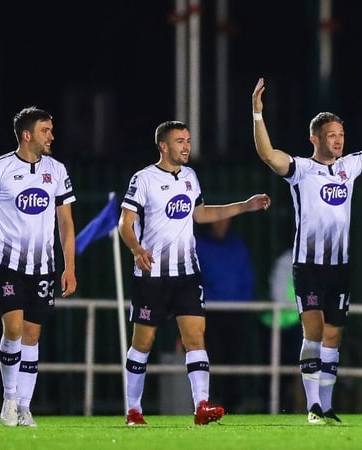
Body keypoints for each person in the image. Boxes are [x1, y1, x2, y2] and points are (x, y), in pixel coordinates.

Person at [251, 74, 362, 425]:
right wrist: (258, 115)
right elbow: (268, 154)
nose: (338, 141)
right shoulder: (300, 170)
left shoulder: (348, 168)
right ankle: (312, 407)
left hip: (340, 265)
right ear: (315, 139)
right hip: (308, 264)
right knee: (313, 331)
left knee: (334, 333)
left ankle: (327, 405)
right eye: (331, 135)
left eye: (341, 135)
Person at [118, 120, 271, 426]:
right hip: (152, 275)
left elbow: (201, 214)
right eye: (179, 141)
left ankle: (201, 405)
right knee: (143, 343)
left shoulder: (190, 176)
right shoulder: (144, 179)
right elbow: (125, 222)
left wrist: (245, 205)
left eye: (188, 140)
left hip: (187, 273)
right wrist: (136, 249)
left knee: (196, 338)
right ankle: (134, 410)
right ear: (163, 146)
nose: (186, 146)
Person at [0, 106, 77, 427]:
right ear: (27, 135)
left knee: (31, 334)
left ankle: (25, 407)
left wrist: (70, 266)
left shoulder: (56, 170)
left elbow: (66, 222)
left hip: (44, 266)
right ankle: (10, 399)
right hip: (7, 263)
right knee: (12, 328)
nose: (51, 136)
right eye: (46, 131)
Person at [196, 216, 256, 412]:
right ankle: (209, 401)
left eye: (224, 221)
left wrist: (243, 303)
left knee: (234, 357)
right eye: (217, 220)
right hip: (210, 313)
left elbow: (247, 278)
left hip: (236, 312)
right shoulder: (200, 246)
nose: (220, 224)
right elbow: (195, 278)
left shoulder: (238, 248)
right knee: (211, 356)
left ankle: (232, 403)